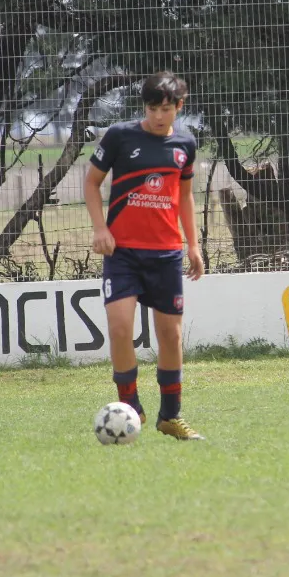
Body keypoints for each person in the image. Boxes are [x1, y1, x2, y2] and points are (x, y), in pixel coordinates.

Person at [84, 72, 205, 440]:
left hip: (165, 254)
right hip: (122, 253)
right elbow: (91, 182)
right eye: (152, 109)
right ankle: (131, 409)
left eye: (166, 109)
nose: (158, 116)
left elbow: (185, 195)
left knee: (170, 335)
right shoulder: (120, 136)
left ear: (179, 106)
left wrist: (193, 244)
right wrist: (101, 228)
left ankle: (171, 416)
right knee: (120, 328)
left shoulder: (185, 143)